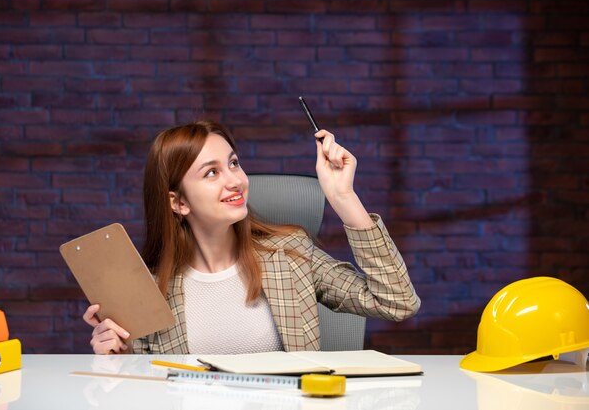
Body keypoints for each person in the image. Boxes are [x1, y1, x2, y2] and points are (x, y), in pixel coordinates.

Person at [83, 121, 420, 354]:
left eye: (233, 163)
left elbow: (398, 302)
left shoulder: (290, 254)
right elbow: (144, 392)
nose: (235, 180)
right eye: (212, 172)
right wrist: (118, 358)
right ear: (178, 202)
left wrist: (344, 198)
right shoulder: (151, 290)